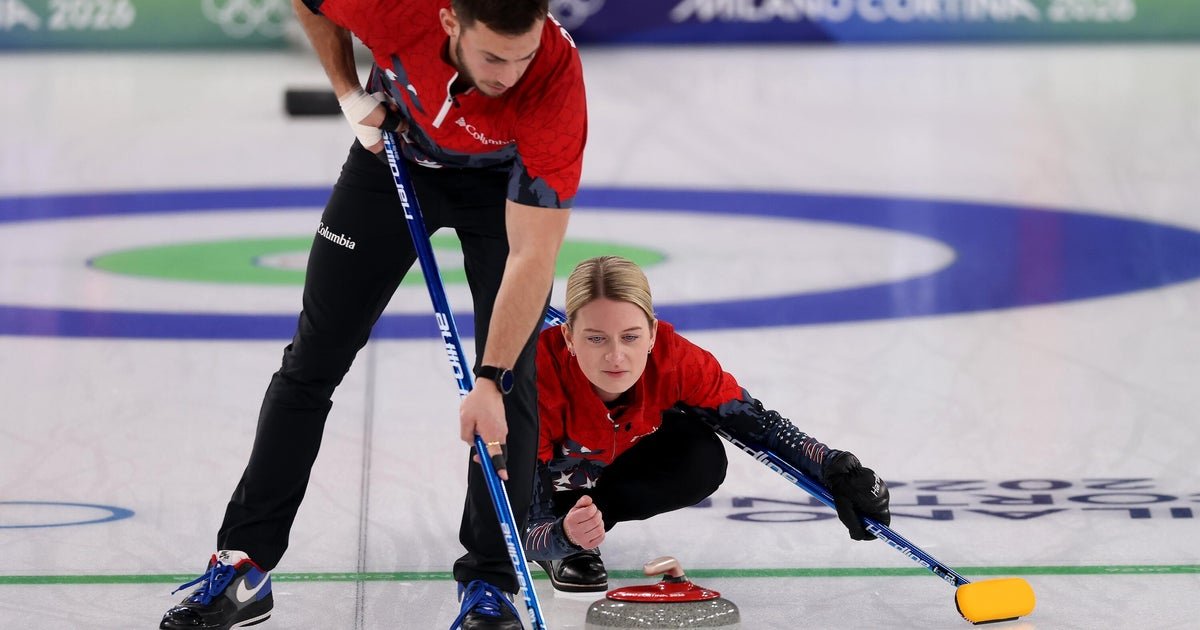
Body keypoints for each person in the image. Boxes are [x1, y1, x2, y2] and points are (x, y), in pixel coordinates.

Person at [160, 1, 585, 629]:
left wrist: (491, 377)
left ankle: (491, 586)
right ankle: (246, 563)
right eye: (493, 56)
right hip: (396, 158)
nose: (510, 73)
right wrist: (348, 93)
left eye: (523, 55)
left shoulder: (553, 78)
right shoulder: (396, 8)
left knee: (511, 388)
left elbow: (532, 252)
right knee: (313, 360)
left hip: (503, 187)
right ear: (449, 24)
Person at [523, 256, 891, 593]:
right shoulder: (535, 382)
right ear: (569, 337)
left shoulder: (675, 360)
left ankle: (592, 518)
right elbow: (511, 523)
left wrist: (834, 466)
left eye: (630, 336)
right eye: (596, 338)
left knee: (700, 456)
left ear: (652, 333)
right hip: (545, 486)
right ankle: (573, 532)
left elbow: (761, 427)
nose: (616, 355)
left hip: (613, 460)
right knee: (542, 503)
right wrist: (562, 538)